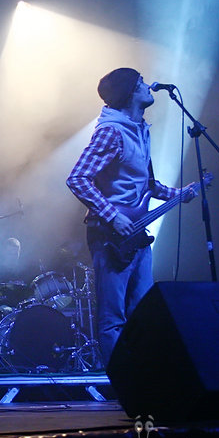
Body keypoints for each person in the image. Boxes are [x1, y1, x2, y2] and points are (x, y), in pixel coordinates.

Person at [66, 67, 197, 367]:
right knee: (113, 317)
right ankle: (120, 382)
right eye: (141, 82)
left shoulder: (140, 130)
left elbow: (146, 185)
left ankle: (143, 376)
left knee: (143, 312)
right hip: (110, 236)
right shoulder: (111, 132)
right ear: (129, 92)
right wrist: (113, 216)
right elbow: (77, 178)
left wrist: (178, 193)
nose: (149, 85)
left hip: (137, 234)